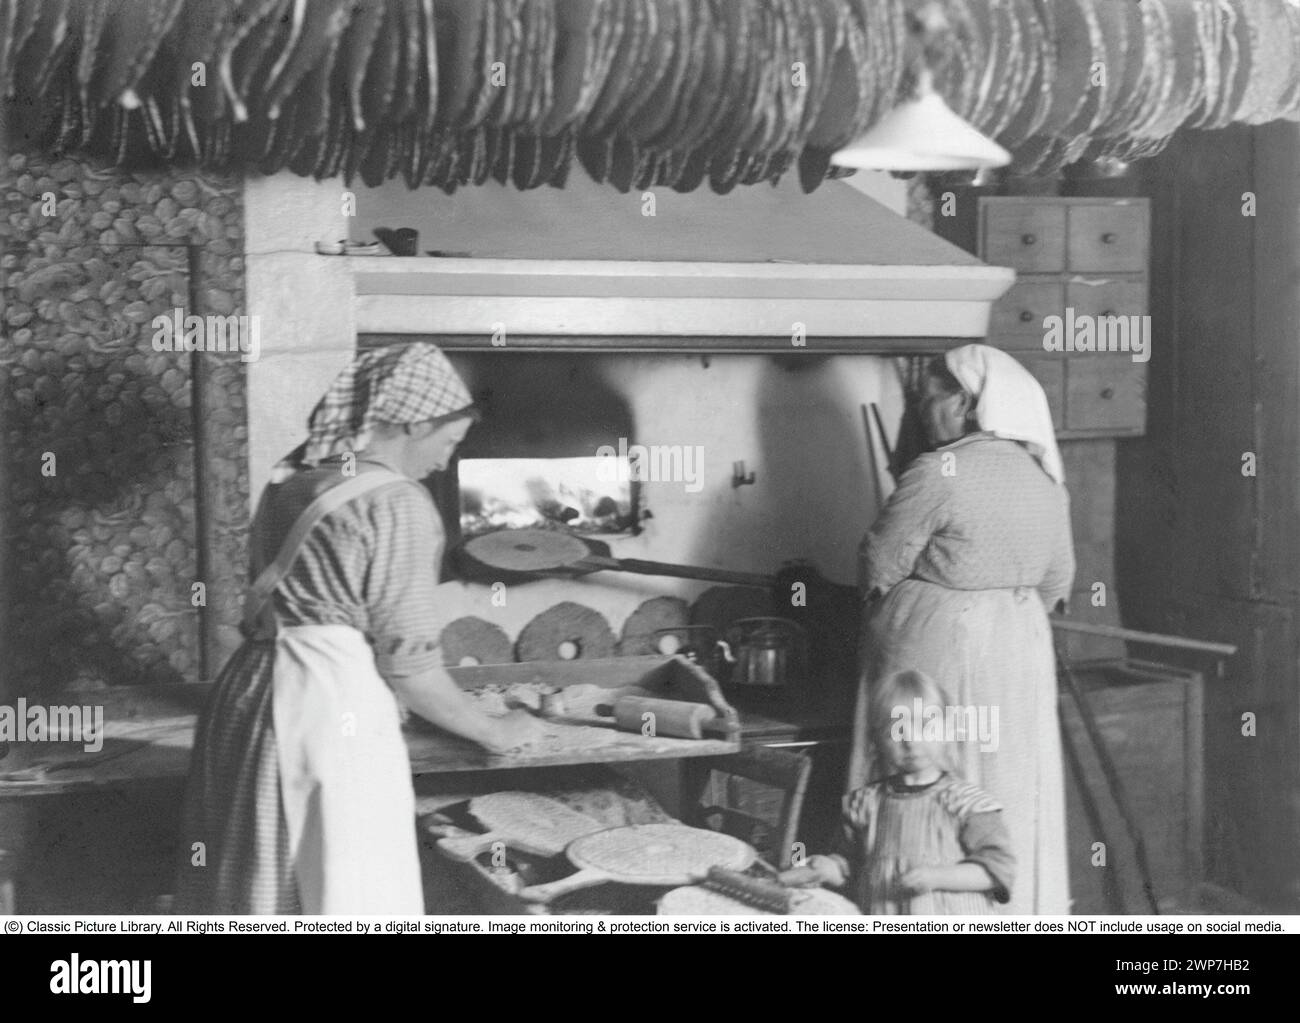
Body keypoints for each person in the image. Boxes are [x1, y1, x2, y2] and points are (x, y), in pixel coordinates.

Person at [175, 343, 542, 914]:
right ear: (414, 420)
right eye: (448, 444)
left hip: (247, 695)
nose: (445, 464)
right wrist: (498, 730)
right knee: (344, 889)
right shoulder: (398, 503)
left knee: (262, 881)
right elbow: (412, 669)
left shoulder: (292, 483)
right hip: (324, 708)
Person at [848, 343, 1075, 914]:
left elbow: (879, 561)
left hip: (941, 641)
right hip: (1021, 649)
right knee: (1003, 784)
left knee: (922, 773)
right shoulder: (1046, 478)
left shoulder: (937, 470)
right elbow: (1057, 582)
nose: (926, 413)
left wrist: (892, 617)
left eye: (932, 401)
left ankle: (916, 910)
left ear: (969, 402)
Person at [786, 669, 1014, 914]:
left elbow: (998, 869)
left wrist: (938, 877)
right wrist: (830, 868)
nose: (911, 742)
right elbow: (851, 868)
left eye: (925, 728)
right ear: (876, 740)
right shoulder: (865, 804)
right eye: (897, 731)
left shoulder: (965, 803)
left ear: (948, 731)